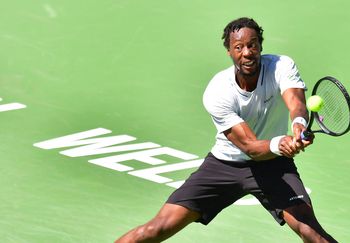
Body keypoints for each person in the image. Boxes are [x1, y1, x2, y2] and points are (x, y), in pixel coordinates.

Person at [116, 17, 337, 243]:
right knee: (157, 229)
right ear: (229, 52)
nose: (247, 52)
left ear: (260, 46)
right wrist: (279, 143)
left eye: (252, 45)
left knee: (312, 233)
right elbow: (251, 147)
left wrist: (299, 123)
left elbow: (296, 102)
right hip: (224, 165)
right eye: (238, 47)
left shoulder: (282, 66)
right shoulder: (218, 91)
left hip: (274, 165)